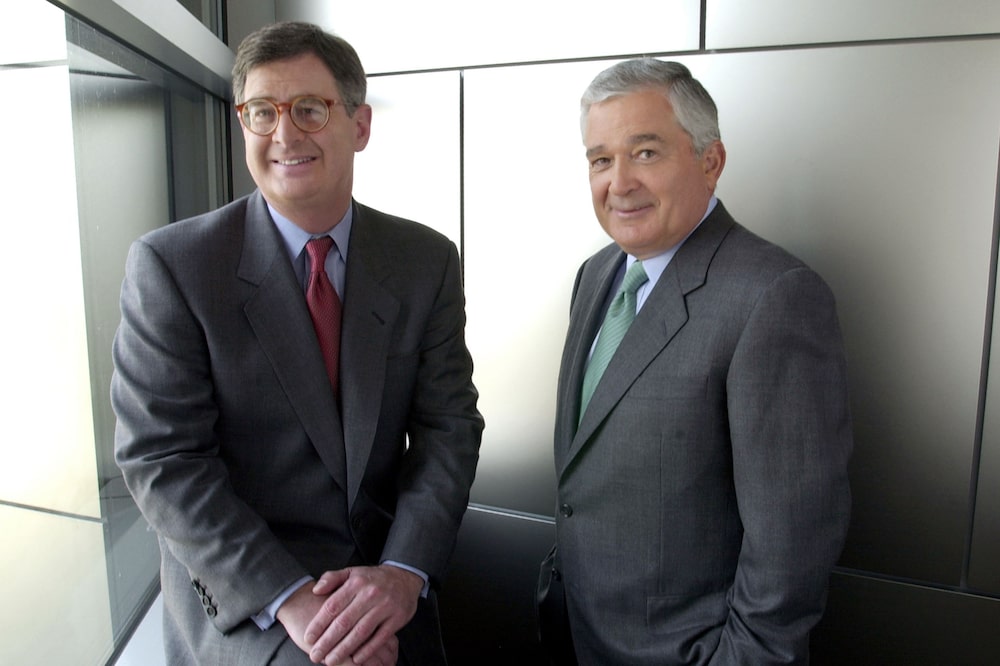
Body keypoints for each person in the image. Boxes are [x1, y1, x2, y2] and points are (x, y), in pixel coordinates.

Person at [111, 21, 483, 666]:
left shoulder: (425, 261)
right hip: (250, 596)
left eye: (310, 110)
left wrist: (401, 572)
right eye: (262, 112)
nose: (284, 134)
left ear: (360, 125)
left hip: (383, 583)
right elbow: (163, 461)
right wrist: (291, 600)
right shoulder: (173, 266)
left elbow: (448, 428)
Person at [537, 58, 853, 664]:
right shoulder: (597, 275)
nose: (618, 182)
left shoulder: (774, 295)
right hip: (577, 634)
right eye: (600, 159)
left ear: (711, 161)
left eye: (646, 152)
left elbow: (791, 547)